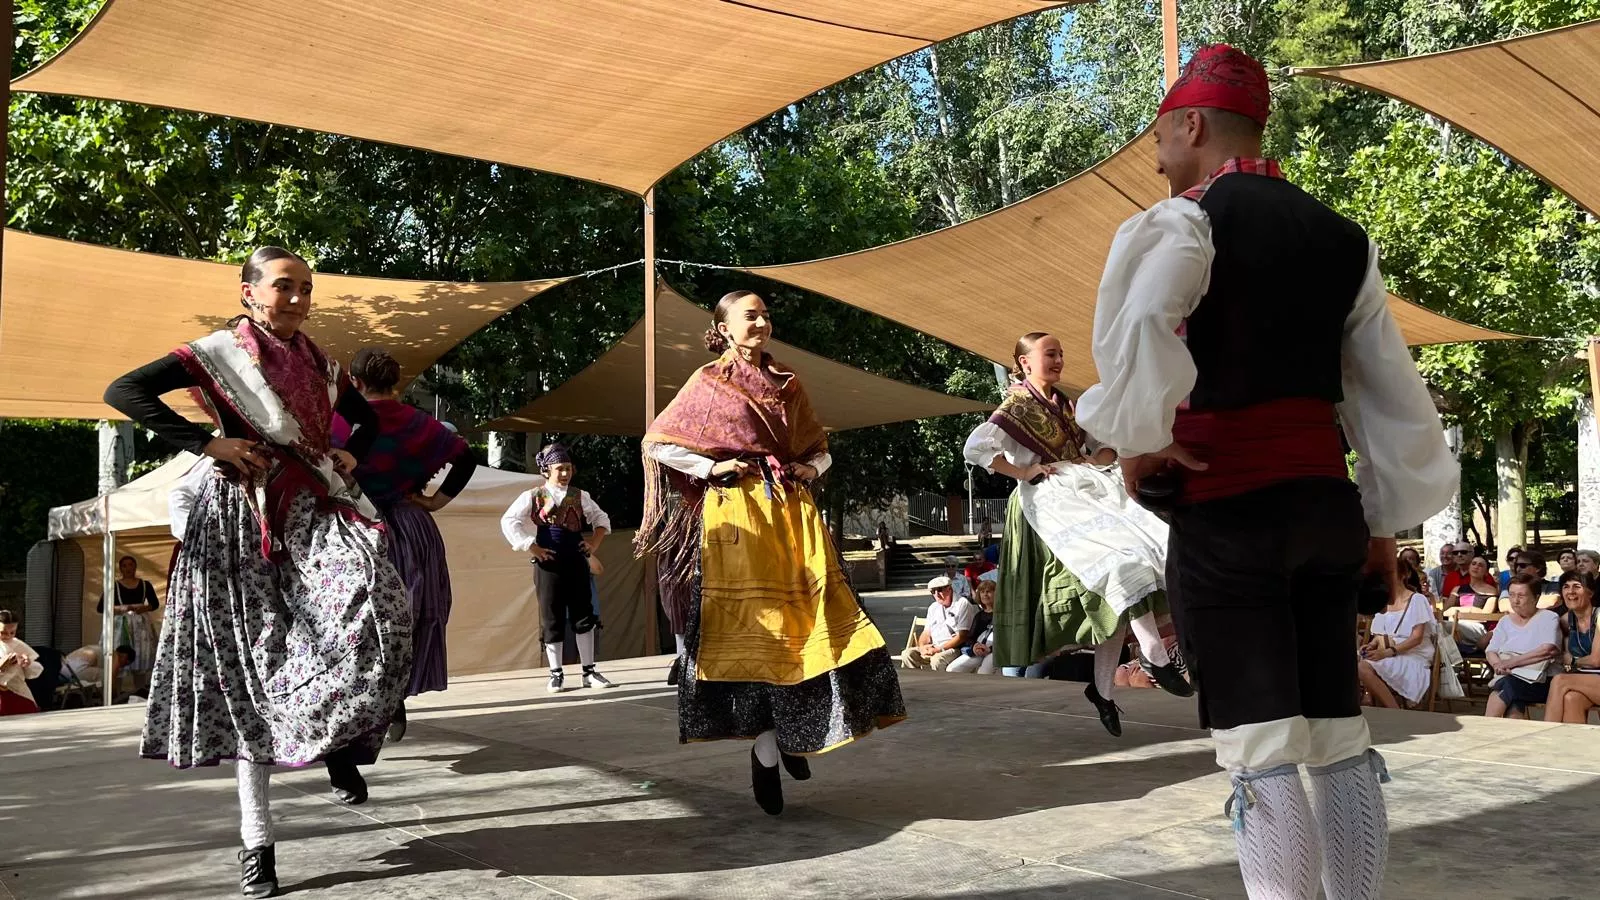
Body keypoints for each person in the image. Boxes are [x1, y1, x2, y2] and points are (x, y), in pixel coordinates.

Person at [1072, 45, 1459, 900]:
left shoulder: (1184, 221)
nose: (1157, 160)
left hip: (1231, 508)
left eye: (1159, 140)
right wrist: (1383, 522)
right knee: (1337, 735)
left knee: (1262, 747)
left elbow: (1142, 327)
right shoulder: (1341, 237)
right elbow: (1388, 392)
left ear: (1192, 125)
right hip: (1326, 511)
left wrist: (1139, 440)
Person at [103, 246, 413, 899]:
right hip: (239, 521)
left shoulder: (318, 360)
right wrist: (207, 442)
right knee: (251, 686)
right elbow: (124, 391)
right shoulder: (218, 353)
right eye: (283, 286)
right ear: (249, 292)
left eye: (306, 287)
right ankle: (257, 846)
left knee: (378, 604)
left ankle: (337, 741)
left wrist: (348, 453)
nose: (298, 298)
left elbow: (360, 418)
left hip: (313, 509)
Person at [635, 289, 906, 816]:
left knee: (806, 626)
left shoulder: (788, 382)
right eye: (750, 315)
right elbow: (659, 443)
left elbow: (820, 449)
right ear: (724, 328)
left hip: (790, 511)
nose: (762, 322)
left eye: (765, 314)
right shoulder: (708, 382)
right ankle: (767, 752)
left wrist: (811, 467)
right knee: (758, 633)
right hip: (738, 515)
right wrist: (711, 467)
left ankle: (791, 738)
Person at [964, 331, 1189, 739]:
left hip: (1090, 489)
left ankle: (1104, 689)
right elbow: (977, 448)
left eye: (1061, 354)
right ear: (1024, 362)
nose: (1058, 360)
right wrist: (1023, 471)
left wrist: (1095, 458)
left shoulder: (1067, 403)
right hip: (1052, 504)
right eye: (1049, 353)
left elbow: (1103, 447)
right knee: (1119, 569)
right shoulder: (1014, 407)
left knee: (1141, 567)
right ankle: (1153, 654)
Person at [334, 347, 476, 741]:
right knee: (411, 615)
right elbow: (465, 457)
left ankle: (366, 701)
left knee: (354, 616)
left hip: (357, 525)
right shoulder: (419, 423)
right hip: (411, 527)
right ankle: (393, 696)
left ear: (355, 382)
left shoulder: (342, 422)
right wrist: (434, 502)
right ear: (395, 382)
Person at [501, 443, 614, 693]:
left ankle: (589, 672)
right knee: (551, 615)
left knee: (583, 614)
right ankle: (556, 673)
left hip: (575, 560)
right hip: (548, 564)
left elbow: (601, 519)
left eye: (568, 468)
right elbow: (509, 521)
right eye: (560, 469)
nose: (565, 473)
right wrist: (532, 547)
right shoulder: (533, 496)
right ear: (547, 470)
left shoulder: (580, 495)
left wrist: (593, 544)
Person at [1357, 557, 1436, 709]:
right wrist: (1371, 646)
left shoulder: (1417, 600)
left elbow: (1416, 639)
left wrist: (1387, 652)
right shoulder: (1382, 601)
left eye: (1390, 574)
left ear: (1403, 575)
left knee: (1362, 667)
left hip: (1413, 655)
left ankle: (1394, 710)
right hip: (1387, 652)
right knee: (1351, 660)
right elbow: (1380, 636)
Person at [1483, 574, 1561, 719]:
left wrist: (1510, 663)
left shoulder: (1548, 617)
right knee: (1510, 691)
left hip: (1541, 681)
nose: (1515, 601)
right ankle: (1507, 730)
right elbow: (1491, 650)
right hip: (1509, 677)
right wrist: (1498, 665)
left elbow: (1547, 650)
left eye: (1521, 596)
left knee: (1506, 687)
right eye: (1511, 595)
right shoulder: (1505, 621)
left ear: (1536, 598)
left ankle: (1487, 725)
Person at [1544, 571, 1600, 723]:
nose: (1571, 591)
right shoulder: (1566, 620)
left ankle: (1544, 732)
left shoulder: (1599, 616)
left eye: (1577, 586)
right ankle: (1571, 739)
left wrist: (1573, 660)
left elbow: (1596, 660)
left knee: (1560, 680)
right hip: (1585, 679)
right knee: (1571, 699)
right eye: (1566, 587)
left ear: (1590, 593)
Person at [97, 555, 160, 688]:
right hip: (121, 626)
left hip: (140, 626)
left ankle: (140, 691)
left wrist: (143, 608)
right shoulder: (113, 586)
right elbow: (101, 607)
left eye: (131, 565)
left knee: (140, 657)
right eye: (124, 566)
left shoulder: (145, 585)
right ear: (120, 568)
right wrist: (120, 609)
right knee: (119, 658)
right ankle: (115, 693)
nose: (128, 568)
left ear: (135, 566)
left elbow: (154, 604)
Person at [902, 576, 975, 670]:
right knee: (907, 654)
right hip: (934, 646)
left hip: (953, 648)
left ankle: (940, 680)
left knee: (937, 660)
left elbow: (962, 636)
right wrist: (922, 647)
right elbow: (926, 633)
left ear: (949, 589)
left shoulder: (962, 604)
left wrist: (939, 649)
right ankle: (918, 678)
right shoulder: (933, 607)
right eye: (933, 591)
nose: (936, 594)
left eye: (940, 590)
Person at [947, 576, 999, 675]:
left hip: (995, 651)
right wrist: (975, 646)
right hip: (979, 650)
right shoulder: (979, 615)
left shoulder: (1003, 615)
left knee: (983, 673)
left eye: (988, 591)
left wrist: (990, 649)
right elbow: (970, 637)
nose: (985, 594)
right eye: (982, 592)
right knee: (952, 669)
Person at [0, 610, 44, 716]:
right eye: (3, 633)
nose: (8, 636)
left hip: (18, 693)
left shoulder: (18, 644)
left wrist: (27, 664)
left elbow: (32, 673)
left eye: (12, 632)